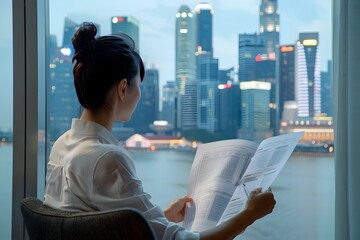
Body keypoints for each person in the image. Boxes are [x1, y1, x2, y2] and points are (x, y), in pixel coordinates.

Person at [44, 22, 276, 240]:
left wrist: (160, 218)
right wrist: (249, 215)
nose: (141, 94)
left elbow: (95, 224)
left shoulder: (62, 145)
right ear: (123, 88)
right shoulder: (108, 159)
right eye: (139, 85)